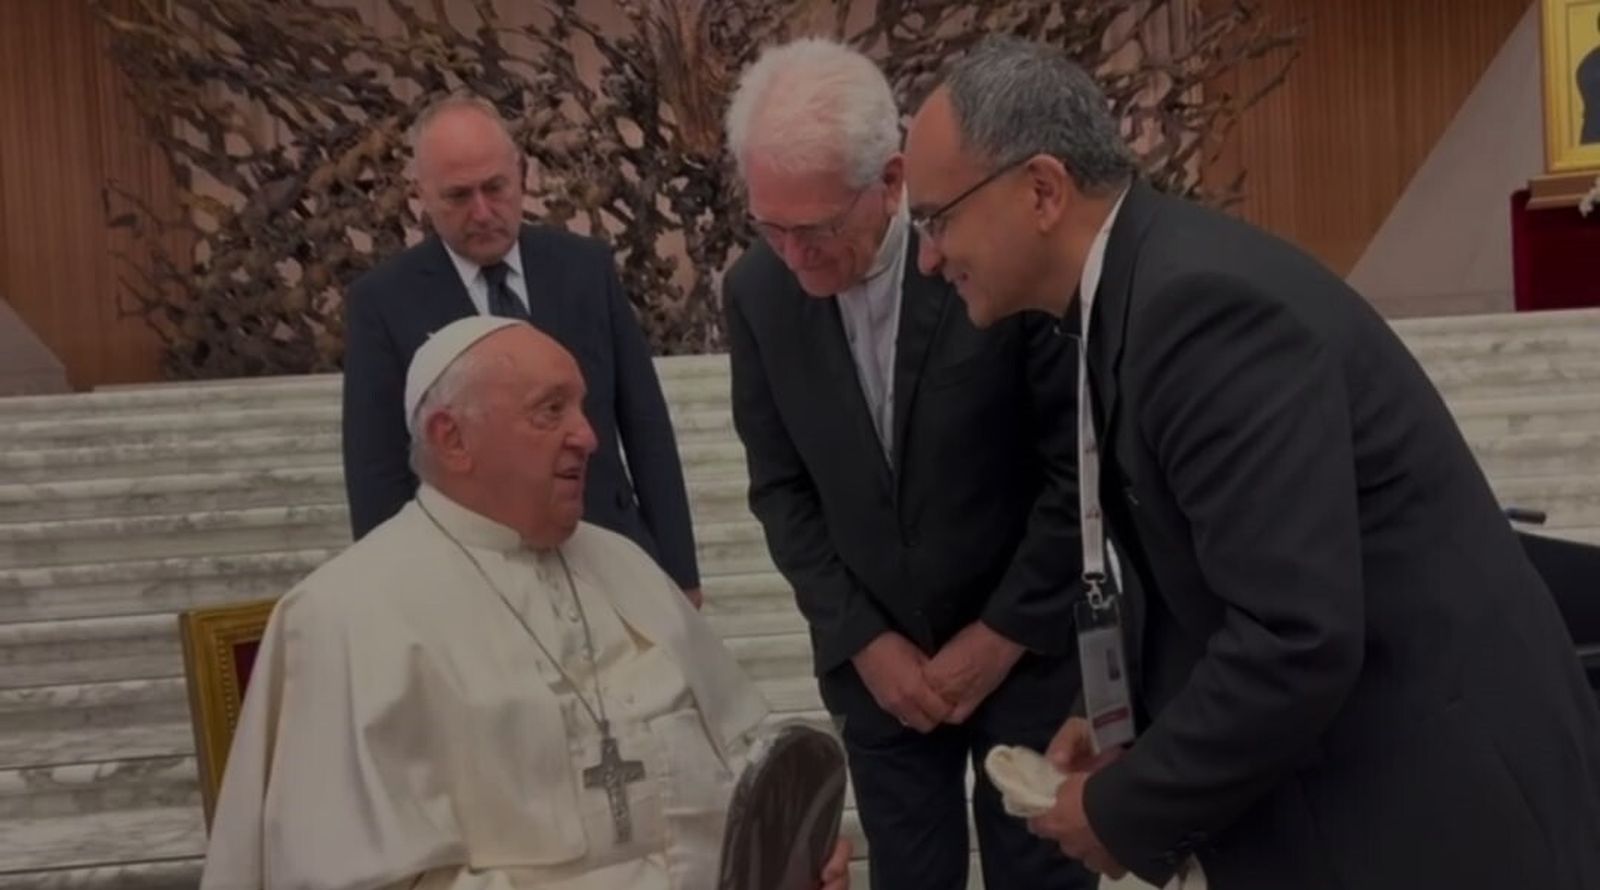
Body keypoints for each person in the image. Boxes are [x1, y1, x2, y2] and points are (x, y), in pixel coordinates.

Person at [902, 34, 1600, 890]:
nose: (930, 259)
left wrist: (1127, 810)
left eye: (937, 221)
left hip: (1432, 815)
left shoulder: (1197, 312)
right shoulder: (1138, 290)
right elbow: (1212, 570)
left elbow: (1295, 635)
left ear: (1042, 190)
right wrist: (1134, 727)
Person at [201, 315, 851, 890]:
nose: (590, 436)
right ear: (452, 438)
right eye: (551, 410)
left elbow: (744, 771)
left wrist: (796, 856)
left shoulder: (622, 563)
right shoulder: (346, 615)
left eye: (582, 407)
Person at [721, 38, 1092, 890]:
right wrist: (864, 640)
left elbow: (1074, 467)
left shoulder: (995, 259)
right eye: (767, 226)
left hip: (1024, 652)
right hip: (880, 671)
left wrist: (999, 638)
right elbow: (782, 490)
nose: (792, 255)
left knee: (1041, 874)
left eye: (813, 228)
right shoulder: (757, 293)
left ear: (890, 182)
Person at [341, 92, 702, 605]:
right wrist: (395, 601)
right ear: (420, 194)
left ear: (523, 174)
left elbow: (645, 426)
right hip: (469, 583)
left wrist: (680, 572)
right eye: (458, 196)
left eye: (495, 187)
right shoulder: (382, 302)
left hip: (611, 555)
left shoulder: (585, 269)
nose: (483, 212)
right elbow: (375, 471)